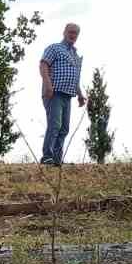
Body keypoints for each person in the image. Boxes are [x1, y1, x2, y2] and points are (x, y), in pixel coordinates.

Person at [39, 23, 84, 165]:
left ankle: (57, 159)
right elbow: (43, 65)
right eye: (70, 32)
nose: (73, 35)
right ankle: (47, 156)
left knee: (64, 128)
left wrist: (80, 95)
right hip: (54, 92)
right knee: (55, 125)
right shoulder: (54, 48)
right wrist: (47, 84)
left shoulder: (76, 55)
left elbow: (75, 77)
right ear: (64, 32)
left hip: (68, 95)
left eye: (76, 33)